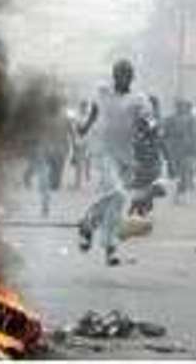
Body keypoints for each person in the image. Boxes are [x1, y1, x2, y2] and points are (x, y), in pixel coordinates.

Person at [76, 59, 154, 266]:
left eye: (126, 75)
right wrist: (85, 126)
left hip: (126, 157)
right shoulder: (103, 91)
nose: (122, 79)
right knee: (118, 194)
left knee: (114, 199)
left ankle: (87, 225)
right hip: (104, 152)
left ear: (132, 77)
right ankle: (110, 247)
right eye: (119, 74)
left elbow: (148, 120)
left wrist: (151, 129)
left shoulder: (139, 99)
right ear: (113, 75)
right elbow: (94, 110)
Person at [163, 99, 196, 204]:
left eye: (182, 106)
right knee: (176, 172)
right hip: (174, 149)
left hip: (185, 149)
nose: (181, 108)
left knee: (184, 171)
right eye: (179, 106)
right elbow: (165, 134)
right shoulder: (170, 119)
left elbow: (193, 134)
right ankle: (178, 193)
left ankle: (180, 193)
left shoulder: (190, 119)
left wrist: (194, 148)